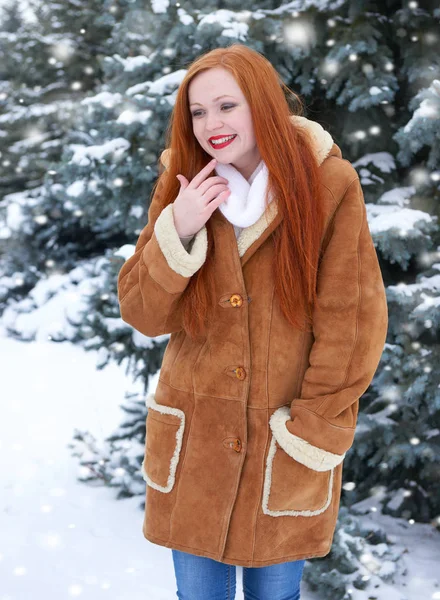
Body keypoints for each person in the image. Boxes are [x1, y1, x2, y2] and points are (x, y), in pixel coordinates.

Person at [117, 43, 388, 600]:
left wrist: (312, 428)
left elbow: (352, 321)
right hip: (194, 450)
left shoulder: (328, 184)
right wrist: (182, 226)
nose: (211, 124)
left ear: (262, 103)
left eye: (227, 105)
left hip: (281, 447)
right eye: (198, 112)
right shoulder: (184, 186)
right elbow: (142, 312)